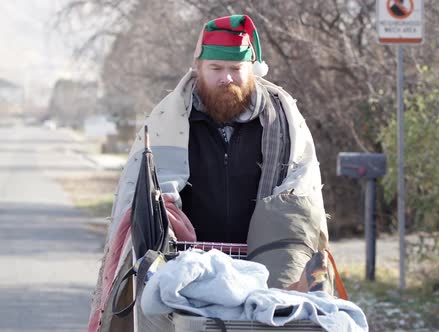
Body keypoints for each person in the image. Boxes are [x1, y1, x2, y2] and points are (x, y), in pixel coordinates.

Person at [88, 14, 330, 332]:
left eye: (235, 70)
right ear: (198, 68)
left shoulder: (283, 122)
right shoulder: (166, 121)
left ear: (252, 71)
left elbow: (302, 196)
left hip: (264, 270)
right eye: (216, 69)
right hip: (186, 272)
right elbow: (145, 194)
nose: (226, 79)